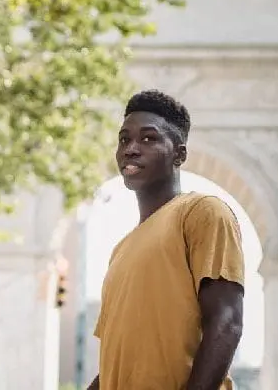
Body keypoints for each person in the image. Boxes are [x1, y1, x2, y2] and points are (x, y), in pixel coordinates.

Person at [88, 90, 244, 390]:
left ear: (179, 154)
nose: (131, 149)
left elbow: (226, 323)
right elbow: (113, 364)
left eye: (148, 138)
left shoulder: (202, 212)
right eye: (124, 139)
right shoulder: (120, 251)